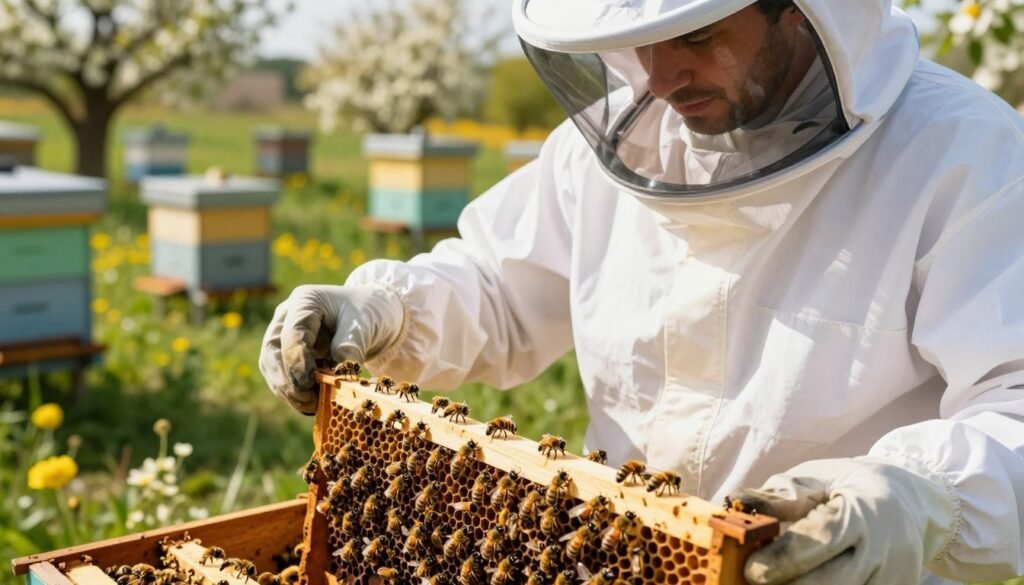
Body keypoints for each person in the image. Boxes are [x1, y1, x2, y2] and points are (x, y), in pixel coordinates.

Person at [260, 0, 1024, 582]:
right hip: (616, 556)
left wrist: (921, 495)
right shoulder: (626, 142)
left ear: (806, 14)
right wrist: (386, 312)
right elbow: (499, 286)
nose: (658, 76)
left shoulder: (968, 158)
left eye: (696, 36)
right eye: (639, 38)